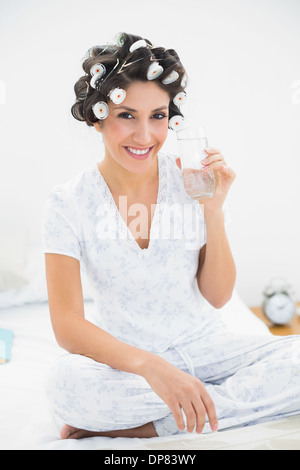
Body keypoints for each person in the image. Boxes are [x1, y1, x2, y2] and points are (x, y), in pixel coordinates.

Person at [42, 32, 300, 440]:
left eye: (158, 116)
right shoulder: (68, 202)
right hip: (127, 365)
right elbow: (67, 324)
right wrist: (152, 367)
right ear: (97, 117)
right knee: (66, 383)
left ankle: (151, 426)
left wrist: (212, 211)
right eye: (127, 115)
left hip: (208, 349)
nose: (145, 136)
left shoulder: (191, 182)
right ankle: (200, 402)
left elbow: (217, 296)